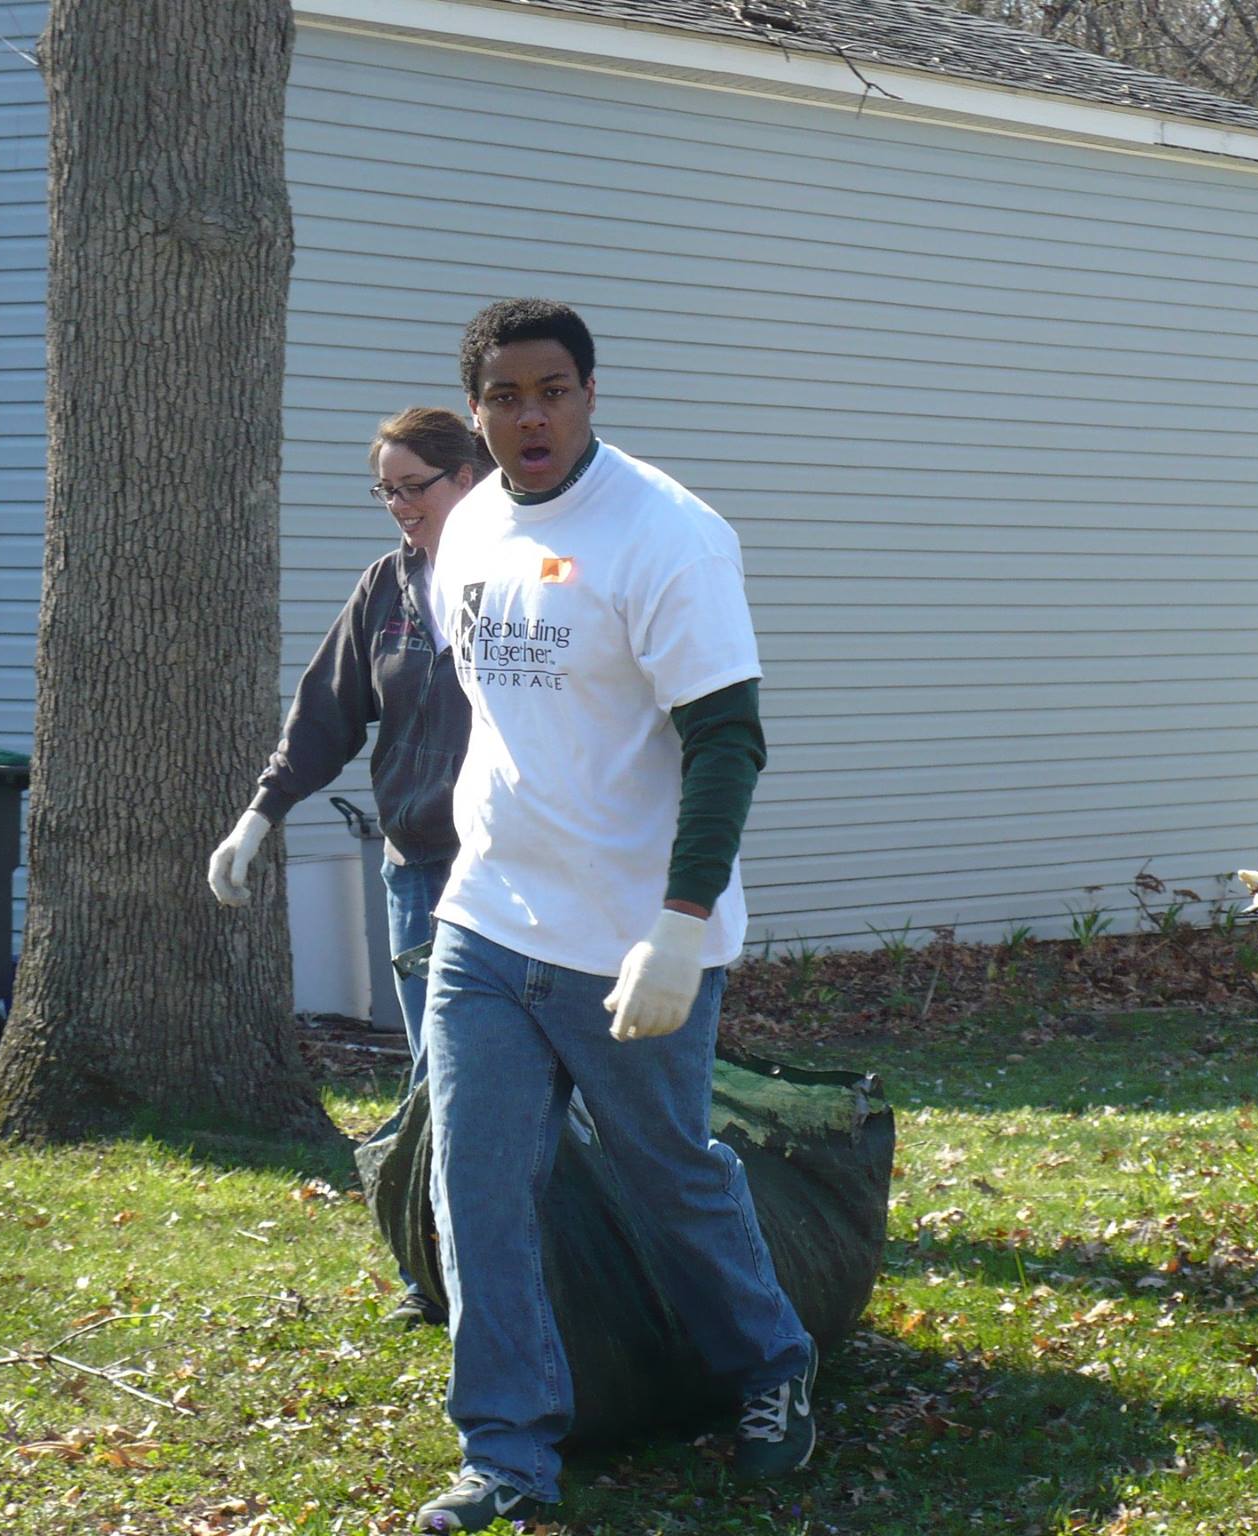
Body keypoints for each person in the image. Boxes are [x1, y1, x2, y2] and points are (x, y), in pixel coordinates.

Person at [409, 300, 815, 1534]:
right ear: (475, 407)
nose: (531, 416)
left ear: (590, 394)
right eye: (506, 395)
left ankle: (772, 1368)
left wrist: (680, 924)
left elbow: (729, 741)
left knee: (665, 1172)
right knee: (473, 1184)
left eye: (555, 391)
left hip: (635, 940)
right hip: (489, 919)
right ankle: (507, 1453)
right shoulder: (470, 524)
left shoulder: (668, 537)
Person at [207, 406, 486, 1328]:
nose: (400, 506)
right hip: (418, 871)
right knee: (430, 1078)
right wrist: (260, 815)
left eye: (417, 486)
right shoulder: (388, 589)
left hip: (520, 873)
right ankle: (430, 1267)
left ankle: (547, 1263)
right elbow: (326, 716)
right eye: (387, 490)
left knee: (498, 1079)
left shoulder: (527, 575)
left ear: (469, 476)